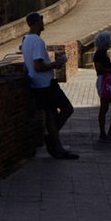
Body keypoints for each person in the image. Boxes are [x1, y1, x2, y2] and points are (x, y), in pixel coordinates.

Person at [22, 11, 78, 159]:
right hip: (46, 85)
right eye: (41, 21)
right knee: (67, 109)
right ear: (34, 24)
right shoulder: (37, 42)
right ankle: (50, 138)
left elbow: (27, 67)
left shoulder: (25, 40)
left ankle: (57, 147)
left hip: (37, 84)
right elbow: (38, 66)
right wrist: (56, 63)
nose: (43, 23)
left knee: (51, 115)